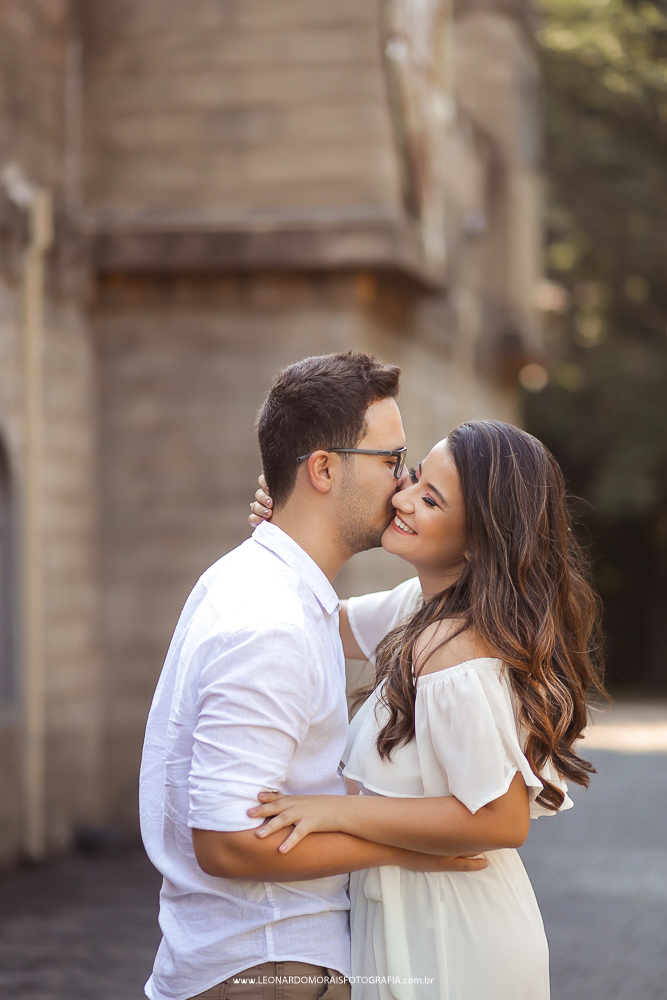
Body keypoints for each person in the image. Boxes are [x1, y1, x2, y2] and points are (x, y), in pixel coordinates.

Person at [139, 352, 486, 1000]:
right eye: (391, 460)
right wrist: (407, 850)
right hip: (267, 969)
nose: (402, 484)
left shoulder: (271, 588)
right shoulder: (270, 622)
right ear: (323, 469)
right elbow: (227, 844)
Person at [249, 419, 606, 1000]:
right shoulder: (422, 606)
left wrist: (334, 811)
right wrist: (288, 530)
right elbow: (315, 621)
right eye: (413, 478)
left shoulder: (457, 653)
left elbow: (500, 821)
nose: (403, 499)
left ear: (477, 540)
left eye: (431, 499)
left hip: (453, 936)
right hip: (411, 920)